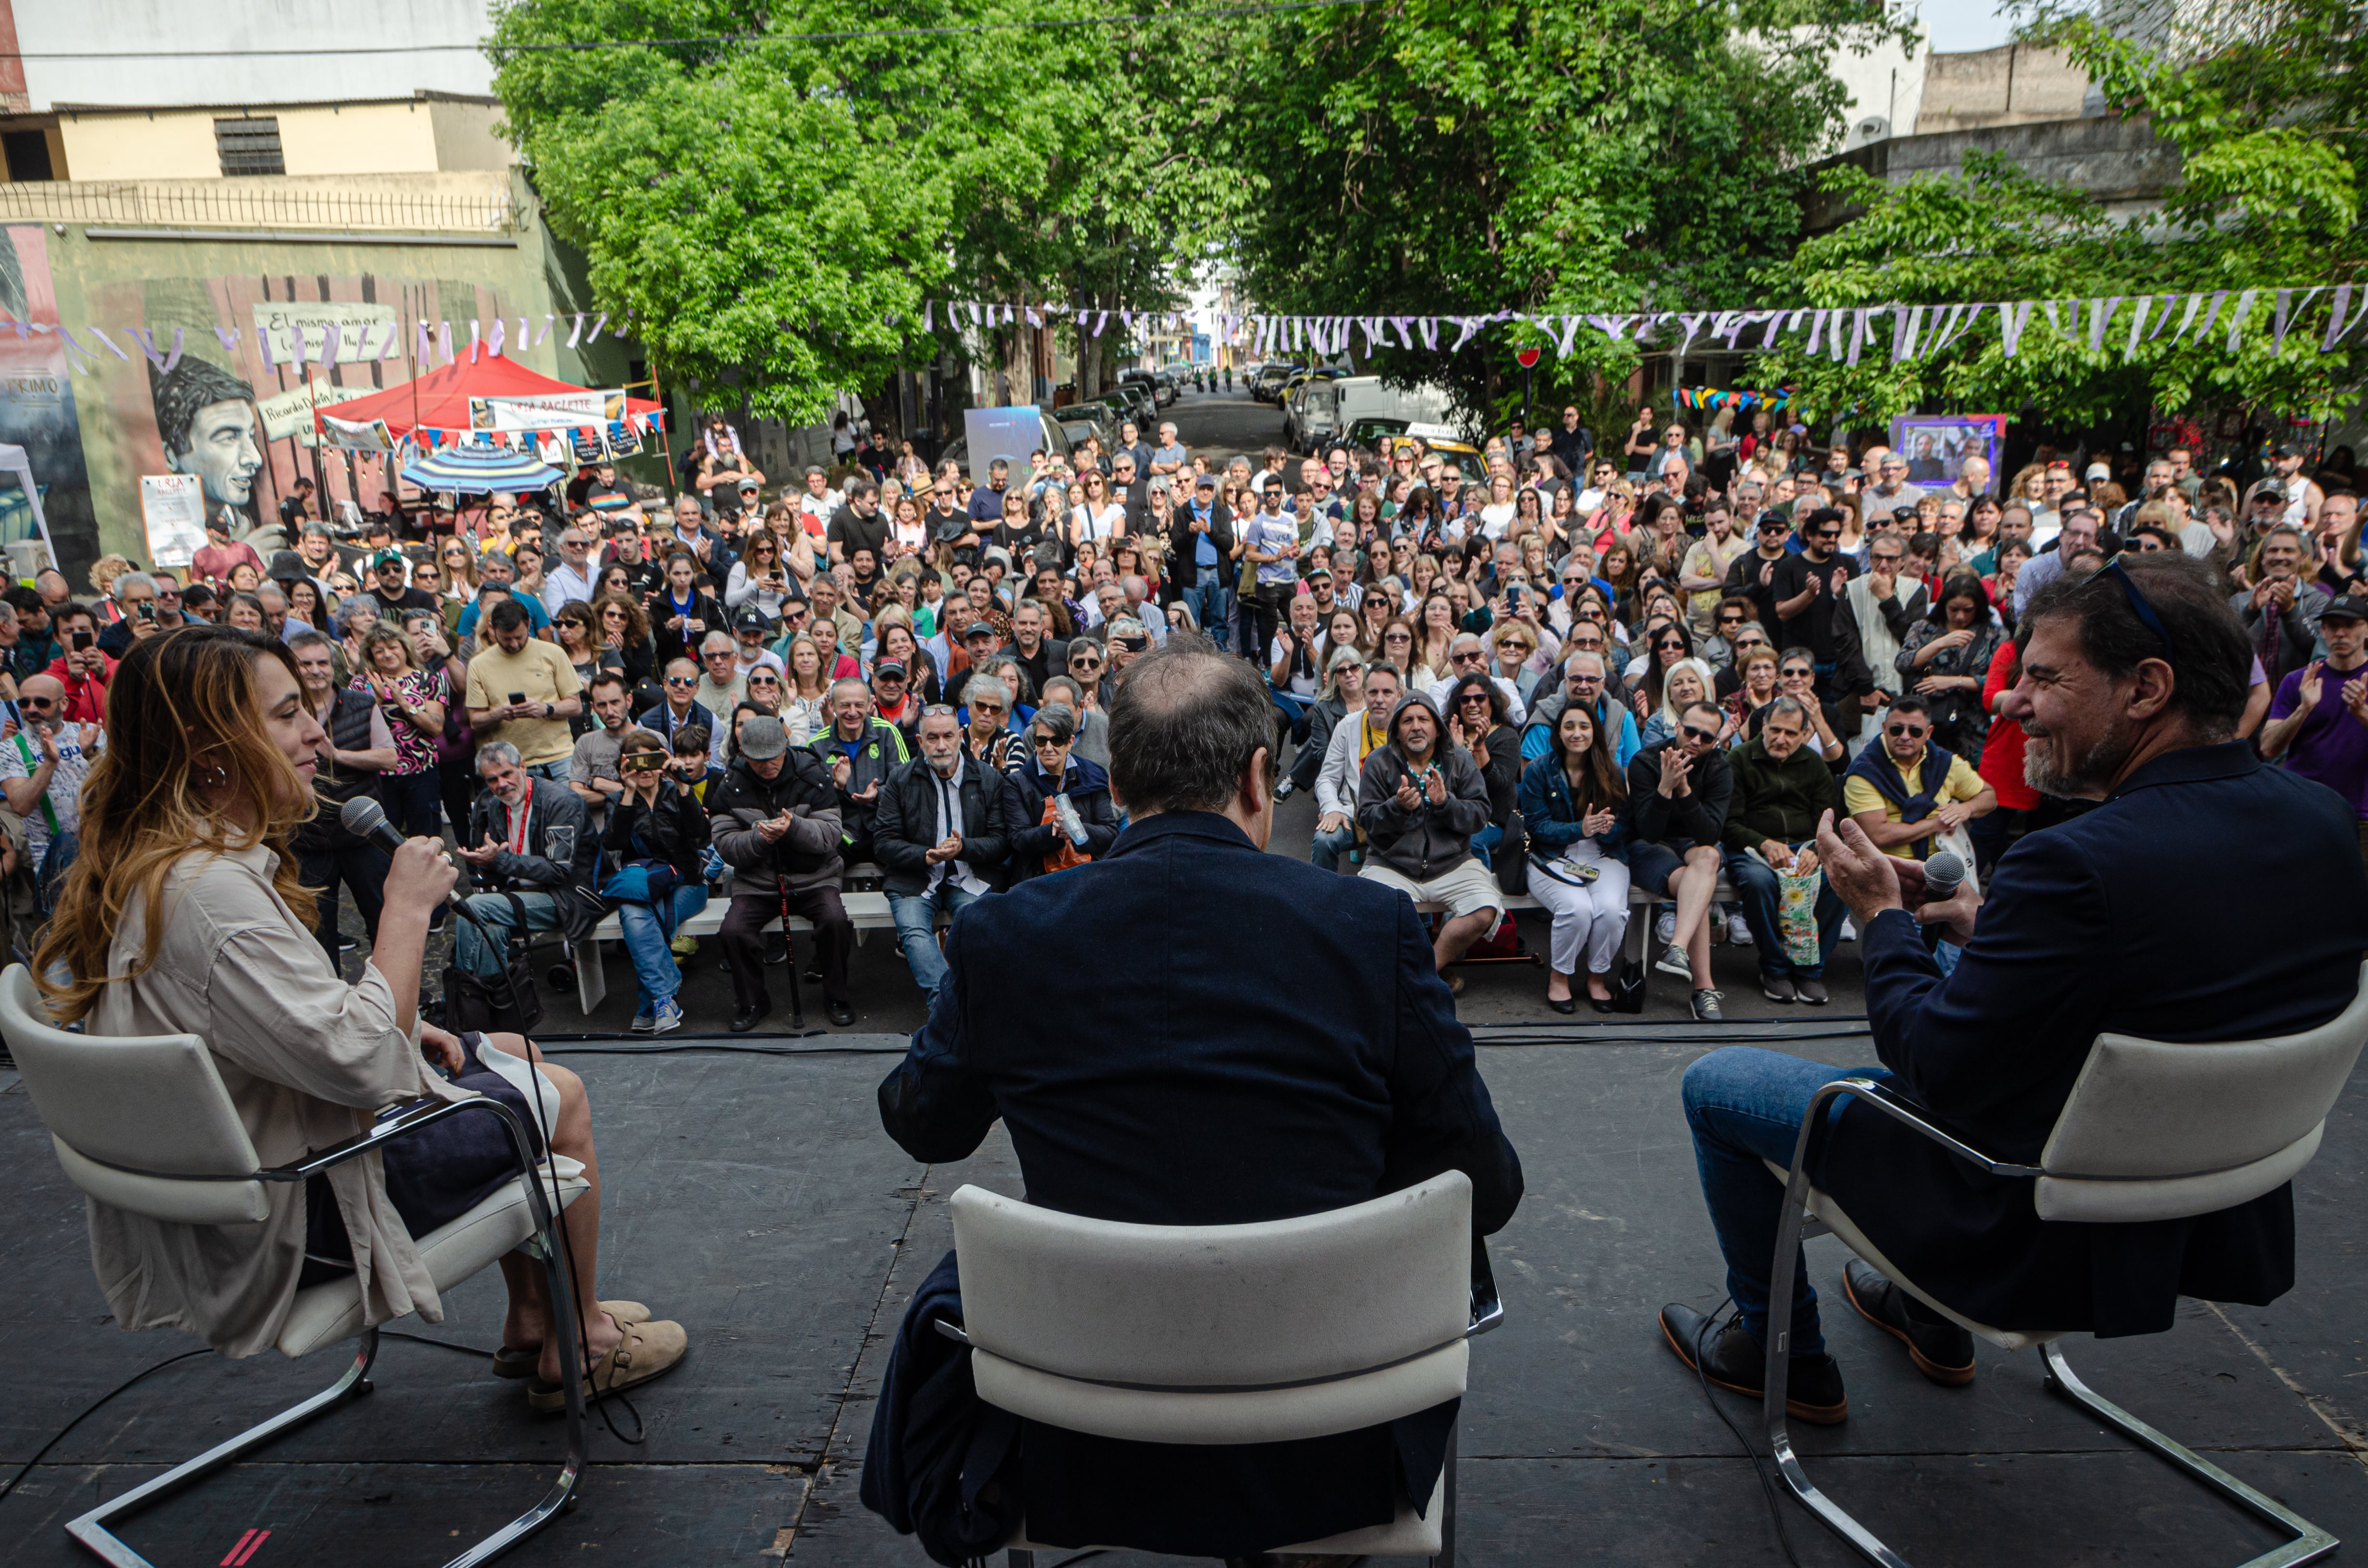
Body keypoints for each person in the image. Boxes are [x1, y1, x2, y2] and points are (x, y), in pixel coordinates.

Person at [1661, 551, 2368, 1425]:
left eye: (2040, 677)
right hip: (2210, 1217)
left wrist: (1880, 914)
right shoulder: (2323, 822)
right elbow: (2161, 982)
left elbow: (1931, 1067)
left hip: (2018, 1227)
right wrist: (1982, 928)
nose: (2008, 701)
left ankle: (1784, 1353)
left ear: (2146, 686)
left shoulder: (2073, 864)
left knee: (1714, 1084)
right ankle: (1919, 1312)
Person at [863, 637, 1522, 1558]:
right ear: (1261, 777)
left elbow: (921, 1119)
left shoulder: (1006, 935)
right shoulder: (1368, 927)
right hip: (1330, 1444)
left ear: (1120, 784)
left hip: (1079, 1439)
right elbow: (1486, 1187)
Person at [35, 626, 685, 1398]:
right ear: (208, 748)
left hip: (235, 1179)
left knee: (508, 1050)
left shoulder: (160, 866)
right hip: (301, 1210)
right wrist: (405, 912)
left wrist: (404, 1022)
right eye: (286, 715)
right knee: (557, 1096)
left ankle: (532, 1322)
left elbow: (269, 1027)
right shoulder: (212, 900)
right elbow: (364, 1066)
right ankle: (580, 1342)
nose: (317, 730)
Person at [709, 714, 855, 1029]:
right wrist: (759, 838)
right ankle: (752, 1001)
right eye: (758, 760)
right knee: (733, 931)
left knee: (835, 921)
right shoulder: (730, 786)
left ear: (786, 746)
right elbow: (724, 845)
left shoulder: (812, 775)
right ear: (744, 755)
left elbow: (831, 836)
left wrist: (795, 828)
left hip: (815, 878)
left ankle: (837, 995)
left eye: (774, 756)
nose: (767, 765)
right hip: (757, 882)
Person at [1356, 690, 1501, 985]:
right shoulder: (1378, 762)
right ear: (1397, 728)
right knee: (1370, 910)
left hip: (1453, 863)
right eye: (1407, 720)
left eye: (1424, 719)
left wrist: (1445, 804)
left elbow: (1480, 814)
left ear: (1437, 727)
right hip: (1392, 863)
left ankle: (1426, 971)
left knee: (1485, 909)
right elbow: (1366, 819)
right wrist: (1396, 808)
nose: (1416, 726)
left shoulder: (1459, 759)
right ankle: (1420, 974)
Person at [873, 704, 1014, 1002]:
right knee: (913, 930)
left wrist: (965, 848)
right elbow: (884, 842)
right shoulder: (900, 780)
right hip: (915, 876)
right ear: (920, 742)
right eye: (932, 738)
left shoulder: (989, 779)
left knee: (979, 927)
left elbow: (1002, 841)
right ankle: (945, 1006)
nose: (941, 745)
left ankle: (978, 1003)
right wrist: (925, 855)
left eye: (948, 736)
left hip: (971, 875)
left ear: (960, 736)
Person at [1722, 697, 1845, 1005]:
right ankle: (1775, 969)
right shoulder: (1738, 759)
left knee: (1839, 882)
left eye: (1791, 734)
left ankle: (1810, 970)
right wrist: (1764, 844)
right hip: (1753, 849)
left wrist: (1816, 849)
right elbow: (1727, 824)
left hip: (1804, 847)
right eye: (1775, 730)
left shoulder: (1815, 764)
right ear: (1763, 726)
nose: (1781, 739)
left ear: (1805, 734)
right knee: (1759, 882)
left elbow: (1828, 820)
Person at [284, 630, 396, 967]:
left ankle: (400, 1000)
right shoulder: (282, 711)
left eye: (323, 662)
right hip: (308, 839)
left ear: (334, 666)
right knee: (316, 930)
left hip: (364, 835)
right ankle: (330, 1006)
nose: (316, 670)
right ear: (292, 667)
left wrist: (338, 755)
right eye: (305, 664)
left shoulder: (362, 703)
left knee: (383, 918)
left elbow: (389, 758)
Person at [453, 739, 604, 983]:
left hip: (568, 896)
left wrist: (499, 860)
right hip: (521, 893)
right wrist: (486, 863)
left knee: (473, 908)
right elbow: (502, 866)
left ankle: (466, 992)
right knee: (489, 931)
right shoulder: (495, 805)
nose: (501, 785)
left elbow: (559, 871)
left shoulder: (560, 801)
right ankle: (496, 1006)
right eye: (492, 780)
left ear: (522, 766)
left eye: (506, 774)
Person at [1624, 699, 1734, 1021]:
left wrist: (1685, 792)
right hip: (1648, 846)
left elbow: (1708, 835)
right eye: (1691, 731)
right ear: (1677, 728)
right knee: (1696, 885)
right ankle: (1704, 989)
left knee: (1710, 857)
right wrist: (1666, 787)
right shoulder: (1646, 761)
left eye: (1707, 737)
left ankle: (1677, 948)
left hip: (1693, 845)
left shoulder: (1719, 766)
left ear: (1717, 741)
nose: (1697, 741)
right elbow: (1648, 831)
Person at [1519, 702, 1629, 1012]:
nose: (1577, 733)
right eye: (1569, 726)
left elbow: (1626, 824)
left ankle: (1597, 978)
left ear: (1595, 731)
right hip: (1552, 856)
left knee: (1610, 910)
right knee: (1577, 908)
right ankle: (1560, 977)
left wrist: (1608, 829)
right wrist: (1578, 829)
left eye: (1584, 726)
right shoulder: (1540, 769)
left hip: (1603, 855)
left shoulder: (1612, 771)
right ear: (1558, 732)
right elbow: (1537, 826)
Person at [601, 726, 711, 1034]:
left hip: (688, 884)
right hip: (642, 888)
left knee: (648, 923)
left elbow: (701, 833)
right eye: (635, 762)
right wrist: (629, 792)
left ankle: (650, 1005)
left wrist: (683, 785)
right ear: (624, 766)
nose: (645, 770)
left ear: (663, 761)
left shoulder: (677, 793)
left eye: (650, 760)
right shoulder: (618, 799)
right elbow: (613, 842)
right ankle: (664, 1000)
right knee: (635, 915)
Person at [2258, 592, 2368, 866]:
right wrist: (2303, 710)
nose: (2340, 633)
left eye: (2350, 624)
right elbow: (2268, 746)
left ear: (2367, 629)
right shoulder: (2299, 680)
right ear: (2323, 631)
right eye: (2332, 625)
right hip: (2307, 811)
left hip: (2364, 816)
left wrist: (2364, 716)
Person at [1841, 692, 1996, 860]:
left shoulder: (1945, 763)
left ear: (1929, 733)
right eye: (1896, 730)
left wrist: (1966, 809)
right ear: (1884, 728)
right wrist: (1936, 824)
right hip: (1883, 865)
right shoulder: (1865, 771)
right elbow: (1879, 835)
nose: (1905, 737)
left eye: (1915, 731)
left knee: (1968, 888)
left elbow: (1989, 797)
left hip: (1940, 863)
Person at [0, 673, 99, 913]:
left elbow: (118, 793)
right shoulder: (10, 748)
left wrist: (91, 755)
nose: (32, 709)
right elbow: (21, 805)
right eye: (25, 703)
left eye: (42, 703)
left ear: (64, 704)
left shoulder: (92, 735)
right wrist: (49, 763)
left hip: (100, 854)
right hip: (53, 868)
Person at [465, 600, 583, 783]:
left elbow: (576, 706)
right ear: (492, 628)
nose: (514, 644)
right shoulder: (479, 664)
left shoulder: (553, 654)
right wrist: (500, 713)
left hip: (559, 757)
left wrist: (546, 709)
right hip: (511, 764)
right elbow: (475, 720)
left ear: (529, 625)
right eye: (506, 639)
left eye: (519, 637)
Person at [1004, 701, 1118, 881]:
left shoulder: (1093, 775)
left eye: (1057, 741)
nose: (1048, 748)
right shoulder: (1017, 783)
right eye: (1041, 741)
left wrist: (1076, 830)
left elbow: (1110, 832)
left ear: (1070, 742)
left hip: (1089, 873)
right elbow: (1018, 839)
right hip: (1039, 877)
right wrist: (1053, 831)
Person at [813, 676, 908, 865]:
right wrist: (838, 787)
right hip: (841, 834)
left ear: (869, 704)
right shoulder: (816, 745)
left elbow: (907, 785)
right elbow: (814, 803)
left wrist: (878, 793)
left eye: (859, 705)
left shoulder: (888, 733)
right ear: (831, 705)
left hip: (884, 829)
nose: (853, 712)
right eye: (845, 705)